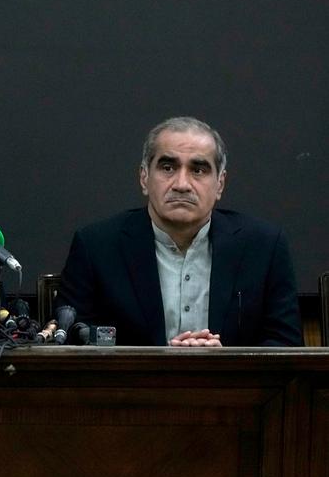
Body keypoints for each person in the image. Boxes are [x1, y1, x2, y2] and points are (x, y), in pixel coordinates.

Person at [55, 116, 302, 346]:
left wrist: (226, 363)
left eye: (198, 170)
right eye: (168, 168)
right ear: (144, 177)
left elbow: (287, 346)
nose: (182, 184)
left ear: (220, 184)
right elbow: (71, 346)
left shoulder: (264, 247)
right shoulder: (96, 246)